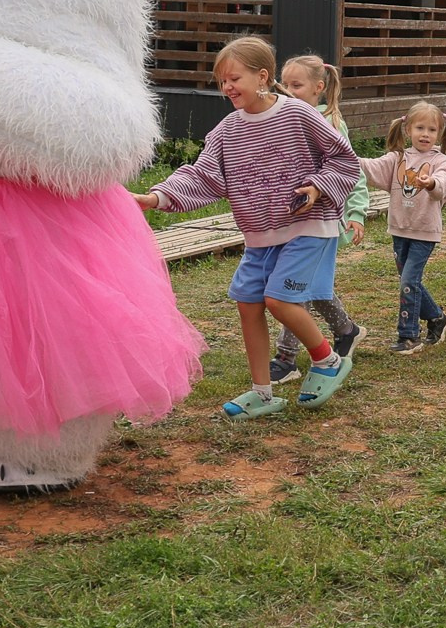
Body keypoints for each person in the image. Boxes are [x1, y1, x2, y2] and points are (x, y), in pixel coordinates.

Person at [138, 37, 364, 417]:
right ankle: (262, 393)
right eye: (221, 81)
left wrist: (318, 186)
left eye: (233, 78)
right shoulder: (227, 130)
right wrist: (157, 197)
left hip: (307, 225)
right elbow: (203, 176)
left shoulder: (298, 115)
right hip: (260, 235)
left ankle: (327, 360)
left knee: (279, 299)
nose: (227, 87)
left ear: (262, 76)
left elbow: (344, 159)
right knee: (248, 303)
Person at [268, 55, 367, 383]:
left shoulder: (331, 124)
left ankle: (286, 358)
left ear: (318, 88)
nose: (290, 91)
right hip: (289, 220)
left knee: (294, 288)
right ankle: (346, 329)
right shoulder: (281, 119)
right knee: (309, 285)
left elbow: (352, 172)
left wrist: (356, 213)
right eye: (287, 85)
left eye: (298, 86)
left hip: (323, 222)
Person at [358, 101, 446, 352]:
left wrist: (431, 182)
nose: (425, 134)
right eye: (420, 128)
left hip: (425, 232)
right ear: (407, 129)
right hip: (399, 230)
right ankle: (438, 318)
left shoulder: (440, 161)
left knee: (409, 281)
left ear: (440, 133)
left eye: (432, 130)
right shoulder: (397, 158)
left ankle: (409, 336)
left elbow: (443, 186)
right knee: (409, 281)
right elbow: (371, 168)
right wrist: (348, 157)